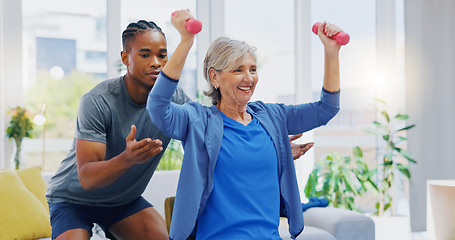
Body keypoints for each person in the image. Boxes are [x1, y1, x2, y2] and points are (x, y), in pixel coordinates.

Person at [147, 10, 342, 240]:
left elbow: (326, 109)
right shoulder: (199, 121)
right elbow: (158, 106)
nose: (248, 78)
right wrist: (186, 41)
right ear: (215, 77)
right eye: (238, 70)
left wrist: (331, 52)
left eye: (252, 69)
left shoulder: (271, 117)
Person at [45, 20, 193, 240]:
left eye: (162, 55)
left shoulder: (175, 100)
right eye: (145, 55)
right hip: (73, 199)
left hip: (122, 201)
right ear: (125, 58)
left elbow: (205, 133)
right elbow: (87, 177)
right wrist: (127, 159)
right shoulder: (98, 101)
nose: (156, 63)